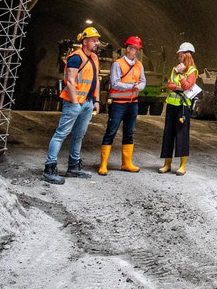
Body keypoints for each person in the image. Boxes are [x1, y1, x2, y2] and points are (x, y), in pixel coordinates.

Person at [42, 27, 101, 184]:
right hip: (74, 102)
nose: (97, 42)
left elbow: (96, 81)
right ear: (85, 41)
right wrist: (75, 103)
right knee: (61, 133)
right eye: (94, 40)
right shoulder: (76, 58)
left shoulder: (94, 58)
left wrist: (96, 100)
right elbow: (70, 82)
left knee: (78, 135)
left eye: (97, 40)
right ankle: (49, 168)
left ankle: (74, 167)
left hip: (88, 103)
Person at [98, 35, 146, 174]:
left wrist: (140, 87)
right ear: (128, 49)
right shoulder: (117, 64)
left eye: (138, 49)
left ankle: (127, 163)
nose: (137, 52)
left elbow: (143, 81)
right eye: (135, 49)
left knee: (129, 133)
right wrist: (132, 86)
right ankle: (103, 165)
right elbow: (115, 83)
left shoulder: (139, 65)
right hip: (118, 104)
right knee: (111, 132)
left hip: (133, 103)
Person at [158, 42, 198, 175]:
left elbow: (187, 86)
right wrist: (178, 86)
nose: (178, 58)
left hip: (183, 107)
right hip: (171, 105)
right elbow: (169, 84)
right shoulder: (174, 69)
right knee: (168, 133)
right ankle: (167, 164)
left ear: (186, 56)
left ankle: (182, 166)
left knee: (182, 135)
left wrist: (180, 77)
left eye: (180, 56)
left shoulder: (192, 71)